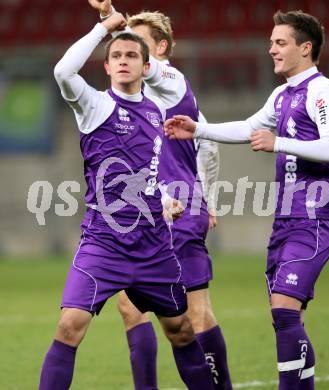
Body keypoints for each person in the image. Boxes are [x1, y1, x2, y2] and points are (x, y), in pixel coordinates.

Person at [165, 10, 329, 390]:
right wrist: (199, 129)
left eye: (280, 43)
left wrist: (277, 142)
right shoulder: (282, 95)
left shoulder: (323, 91)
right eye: (271, 43)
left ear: (306, 47)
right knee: (287, 316)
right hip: (285, 222)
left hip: (315, 220)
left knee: (284, 310)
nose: (272, 50)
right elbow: (248, 127)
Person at [39, 12, 215, 390]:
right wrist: (104, 27)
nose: (122, 59)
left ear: (146, 65)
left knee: (181, 331)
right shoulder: (94, 106)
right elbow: (63, 72)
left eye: (131, 55)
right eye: (115, 55)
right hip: (103, 243)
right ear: (105, 66)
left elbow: (150, 174)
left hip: (153, 246)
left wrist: (167, 198)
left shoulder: (156, 113)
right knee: (70, 326)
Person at [88, 1, 232, 389]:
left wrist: (108, 19)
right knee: (130, 306)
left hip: (179, 212)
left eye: (138, 45)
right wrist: (211, 197)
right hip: (161, 211)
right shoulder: (146, 102)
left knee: (195, 314)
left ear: (161, 49)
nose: (127, 52)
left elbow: (135, 61)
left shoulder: (169, 79)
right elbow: (210, 147)